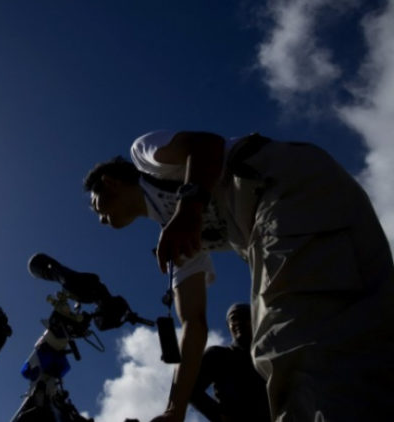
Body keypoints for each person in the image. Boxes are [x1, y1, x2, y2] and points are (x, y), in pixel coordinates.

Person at [83, 130, 394, 421]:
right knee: (362, 339)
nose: (99, 219)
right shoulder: (176, 235)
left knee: (286, 343)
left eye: (96, 208)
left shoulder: (145, 157)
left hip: (279, 188)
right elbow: (193, 324)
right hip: (323, 203)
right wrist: (175, 410)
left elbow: (205, 145)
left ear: (109, 183)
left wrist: (189, 208)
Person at [190, 303, 270, 422]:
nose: (239, 322)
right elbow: (190, 388)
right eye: (233, 319)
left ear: (255, 322)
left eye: (245, 317)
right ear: (228, 326)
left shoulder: (268, 358)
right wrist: (219, 416)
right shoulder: (217, 355)